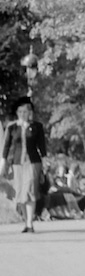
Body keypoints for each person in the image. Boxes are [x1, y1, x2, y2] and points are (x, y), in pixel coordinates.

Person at [0, 96, 47, 233]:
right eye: (20, 112)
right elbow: (6, 146)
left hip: (33, 162)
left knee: (30, 191)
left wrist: (44, 162)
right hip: (16, 163)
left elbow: (42, 146)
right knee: (21, 194)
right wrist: (3, 163)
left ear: (30, 112)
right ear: (17, 113)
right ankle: (26, 223)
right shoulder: (12, 127)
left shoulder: (37, 127)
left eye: (25, 111)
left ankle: (30, 223)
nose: (22, 114)